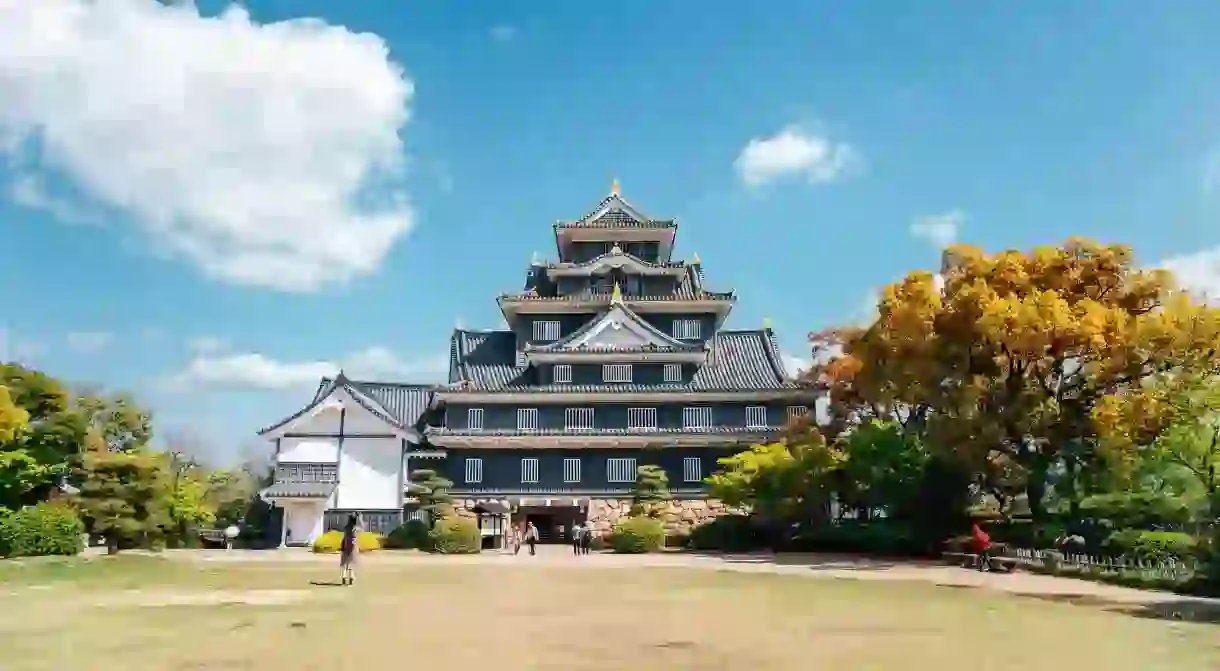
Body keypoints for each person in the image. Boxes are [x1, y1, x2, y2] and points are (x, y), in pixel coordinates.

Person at [339, 514, 360, 586]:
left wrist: (343, 546)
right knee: (351, 564)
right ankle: (351, 578)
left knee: (345, 564)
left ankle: (344, 576)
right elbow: (354, 538)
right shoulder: (355, 529)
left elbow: (344, 538)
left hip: (345, 547)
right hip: (352, 548)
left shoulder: (346, 528)